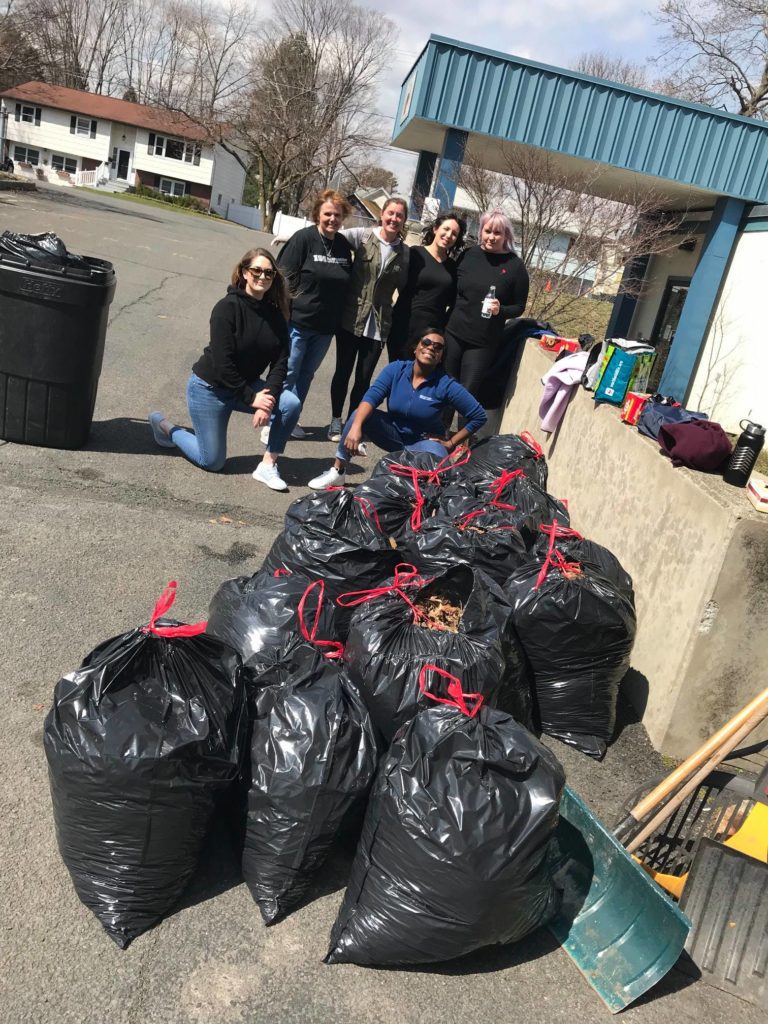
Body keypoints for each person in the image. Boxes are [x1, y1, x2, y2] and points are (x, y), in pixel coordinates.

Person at [148, 248, 300, 491]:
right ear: (244, 273)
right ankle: (167, 427)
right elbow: (222, 362)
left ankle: (268, 465)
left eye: (269, 273)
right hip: (210, 389)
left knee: (290, 403)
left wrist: (267, 399)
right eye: (256, 270)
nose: (263, 277)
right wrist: (253, 399)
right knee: (212, 461)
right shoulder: (227, 308)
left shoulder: (277, 315)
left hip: (246, 386)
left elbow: (280, 363)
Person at [309, 329, 487, 489]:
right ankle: (337, 472)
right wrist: (356, 428)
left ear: (441, 357)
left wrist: (451, 443)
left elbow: (478, 415)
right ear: (415, 348)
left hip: (422, 443)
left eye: (438, 347)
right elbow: (371, 398)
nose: (431, 348)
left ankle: (422, 496)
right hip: (391, 434)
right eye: (426, 343)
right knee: (358, 415)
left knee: (439, 457)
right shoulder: (396, 370)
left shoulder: (446, 384)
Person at [327, 197, 410, 442]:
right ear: (382, 214)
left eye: (399, 216)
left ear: (404, 221)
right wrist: (290, 239)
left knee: (364, 379)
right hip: (351, 317)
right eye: (391, 213)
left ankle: (354, 423)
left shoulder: (404, 253)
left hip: (379, 324)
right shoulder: (363, 236)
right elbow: (327, 235)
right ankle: (335, 420)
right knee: (342, 371)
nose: (394, 219)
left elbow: (405, 287)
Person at [275, 189, 353, 439]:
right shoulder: (303, 239)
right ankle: (274, 420)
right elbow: (284, 277)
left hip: (325, 328)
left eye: (337, 215)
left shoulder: (342, 245)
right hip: (297, 323)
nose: (333, 219)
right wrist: (285, 314)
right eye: (328, 214)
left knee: (306, 375)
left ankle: (291, 419)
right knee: (288, 373)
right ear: (317, 214)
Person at [443, 207, 529, 405]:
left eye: (497, 233)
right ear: (480, 231)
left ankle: (460, 436)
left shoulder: (515, 266)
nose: (491, 237)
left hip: (483, 342)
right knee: (446, 386)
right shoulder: (467, 255)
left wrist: (501, 310)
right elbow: (452, 291)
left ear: (506, 235)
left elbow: (519, 306)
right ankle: (438, 432)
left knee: (466, 394)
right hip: (454, 333)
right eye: (487, 231)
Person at [387, 210, 466, 362]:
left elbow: (452, 301)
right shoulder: (414, 253)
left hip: (432, 333)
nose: (449, 235)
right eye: (446, 229)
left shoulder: (453, 267)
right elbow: (396, 281)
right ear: (435, 229)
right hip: (404, 325)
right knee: (399, 373)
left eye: (454, 234)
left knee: (421, 379)